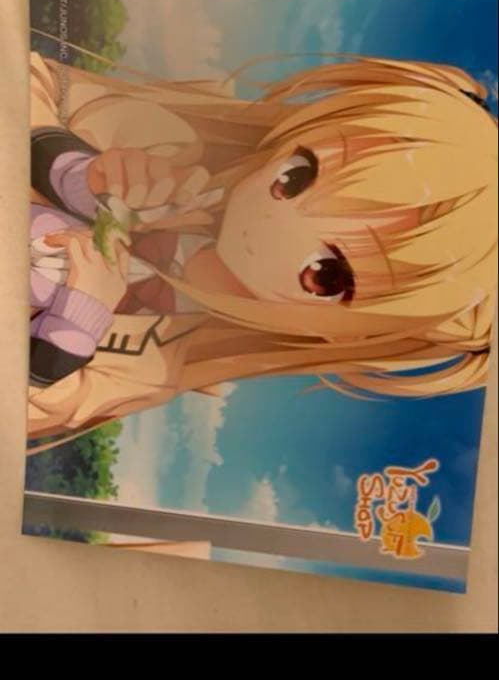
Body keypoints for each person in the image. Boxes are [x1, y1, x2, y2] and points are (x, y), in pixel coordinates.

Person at [28, 48, 498, 446]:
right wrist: (74, 171)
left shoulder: (159, 362)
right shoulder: (169, 143)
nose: (274, 223)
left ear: (354, 335)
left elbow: (31, 408)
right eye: (297, 176)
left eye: (326, 275)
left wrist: (75, 323)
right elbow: (30, 81)